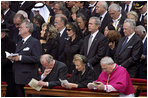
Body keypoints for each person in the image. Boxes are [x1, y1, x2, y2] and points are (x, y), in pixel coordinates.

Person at [8, 21, 42, 97]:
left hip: (29, 78)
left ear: (28, 29)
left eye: (21, 27)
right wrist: (12, 58)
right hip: (18, 77)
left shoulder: (35, 42)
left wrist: (20, 58)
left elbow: (37, 58)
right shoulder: (20, 43)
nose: (19, 29)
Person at [1, 23, 16, 97]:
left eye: (2, 32)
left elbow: (11, 59)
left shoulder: (11, 43)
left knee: (8, 92)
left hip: (7, 72)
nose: (1, 33)